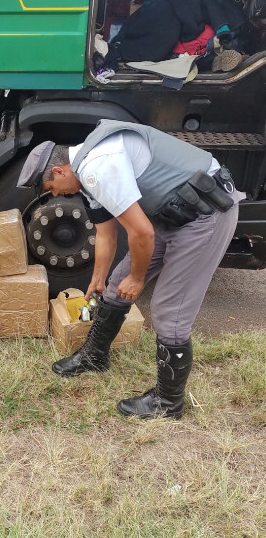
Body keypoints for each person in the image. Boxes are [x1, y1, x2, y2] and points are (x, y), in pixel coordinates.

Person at [18, 119, 244, 419]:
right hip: (174, 214)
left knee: (169, 312)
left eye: (52, 188)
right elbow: (106, 234)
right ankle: (94, 356)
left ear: (60, 171)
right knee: (114, 286)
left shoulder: (97, 166)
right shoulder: (87, 175)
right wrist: (98, 279)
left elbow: (141, 233)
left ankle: (168, 403)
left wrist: (138, 279)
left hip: (205, 216)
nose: (56, 195)